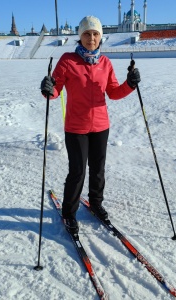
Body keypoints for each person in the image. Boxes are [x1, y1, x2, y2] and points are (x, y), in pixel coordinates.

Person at [41, 16, 141, 234]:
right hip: (76, 128)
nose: (91, 38)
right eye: (87, 34)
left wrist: (130, 85)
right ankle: (69, 213)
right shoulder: (67, 60)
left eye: (95, 34)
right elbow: (55, 91)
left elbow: (113, 92)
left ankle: (96, 203)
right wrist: (48, 89)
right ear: (80, 36)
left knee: (98, 170)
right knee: (77, 171)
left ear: (100, 37)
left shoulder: (105, 63)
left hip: (101, 126)